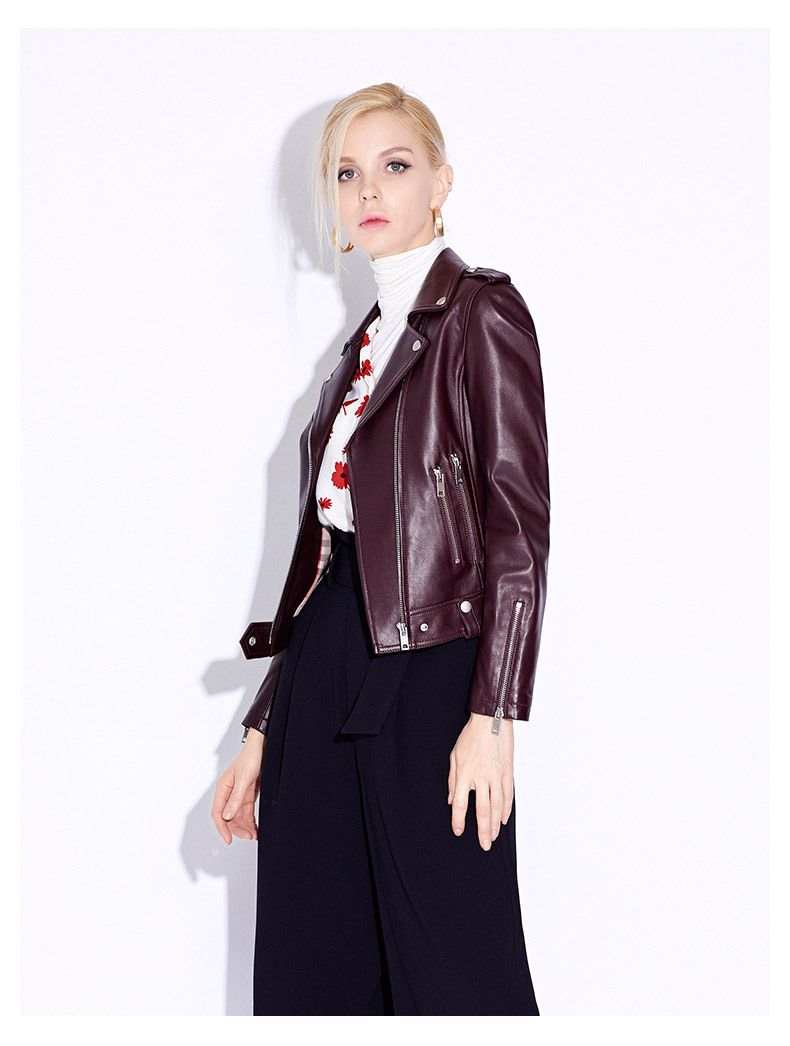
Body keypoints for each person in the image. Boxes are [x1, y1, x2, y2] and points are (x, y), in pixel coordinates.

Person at [211, 82, 550, 1016]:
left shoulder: (481, 315)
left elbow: (518, 530)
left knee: (460, 970)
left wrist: (495, 715)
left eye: (394, 165)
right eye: (346, 172)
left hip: (435, 674)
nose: (368, 189)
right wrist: (262, 727)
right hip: (325, 669)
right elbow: (327, 567)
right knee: (315, 969)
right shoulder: (353, 359)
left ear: (440, 183)